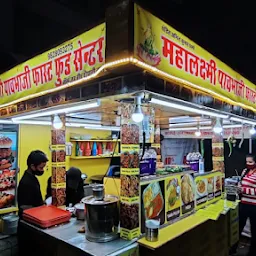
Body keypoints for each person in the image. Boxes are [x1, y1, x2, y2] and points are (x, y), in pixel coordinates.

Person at [17, 150, 48, 256]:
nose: (42, 170)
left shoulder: (32, 178)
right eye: (41, 168)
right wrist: (41, 209)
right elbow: (25, 208)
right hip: (27, 227)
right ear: (32, 166)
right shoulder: (26, 182)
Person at [231, 154, 256, 256]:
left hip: (254, 207)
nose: (248, 164)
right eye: (247, 162)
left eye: (250, 162)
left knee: (254, 231)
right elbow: (241, 183)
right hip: (243, 204)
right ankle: (232, 249)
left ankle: (252, 252)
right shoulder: (244, 171)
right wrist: (238, 187)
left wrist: (244, 190)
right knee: (238, 228)